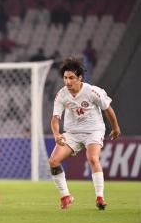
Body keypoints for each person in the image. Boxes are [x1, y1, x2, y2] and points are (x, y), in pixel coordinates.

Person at [48, 58, 121, 210]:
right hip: (72, 133)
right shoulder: (62, 95)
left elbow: (108, 108)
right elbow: (55, 119)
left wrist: (115, 128)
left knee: (92, 158)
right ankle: (65, 197)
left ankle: (100, 198)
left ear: (80, 78)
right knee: (53, 161)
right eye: (65, 78)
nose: (67, 82)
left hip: (93, 130)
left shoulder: (92, 91)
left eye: (71, 78)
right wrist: (57, 134)